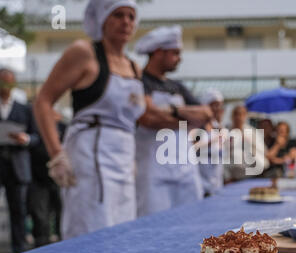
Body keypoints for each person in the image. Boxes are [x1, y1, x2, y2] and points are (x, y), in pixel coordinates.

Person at [34, 1, 211, 239]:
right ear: (102, 19)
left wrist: (173, 114)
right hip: (90, 152)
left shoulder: (134, 68)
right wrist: (56, 154)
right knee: (92, 227)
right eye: (118, 15)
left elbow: (146, 115)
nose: (126, 21)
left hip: (125, 155)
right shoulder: (84, 52)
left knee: (123, 229)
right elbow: (43, 100)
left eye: (131, 16)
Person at [135, 26, 213, 217]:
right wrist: (186, 119)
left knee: (192, 221)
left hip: (186, 169)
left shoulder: (177, 86)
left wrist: (173, 110)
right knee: (153, 226)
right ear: (159, 52)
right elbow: (147, 117)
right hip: (153, 171)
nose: (179, 58)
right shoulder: (139, 81)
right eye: (175, 53)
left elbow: (206, 113)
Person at [0, 68, 40, 253]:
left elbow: (36, 137)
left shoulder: (25, 109)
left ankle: (20, 250)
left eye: (9, 82)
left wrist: (25, 139)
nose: (5, 86)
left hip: (17, 165)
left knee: (19, 209)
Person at [27, 110, 66, 247]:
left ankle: (64, 244)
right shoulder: (34, 128)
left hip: (61, 179)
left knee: (62, 213)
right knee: (40, 215)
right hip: (38, 177)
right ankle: (41, 246)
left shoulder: (64, 128)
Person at [223, 105, 267, 183]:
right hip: (230, 175)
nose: (239, 117)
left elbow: (263, 152)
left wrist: (247, 142)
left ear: (245, 116)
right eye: (236, 114)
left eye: (242, 114)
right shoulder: (225, 131)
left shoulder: (253, 132)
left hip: (250, 175)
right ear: (232, 116)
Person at [194, 88, 225, 197]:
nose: (218, 109)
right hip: (201, 186)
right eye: (214, 105)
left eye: (219, 105)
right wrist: (211, 141)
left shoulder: (218, 127)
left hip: (217, 185)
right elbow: (190, 148)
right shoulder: (196, 126)